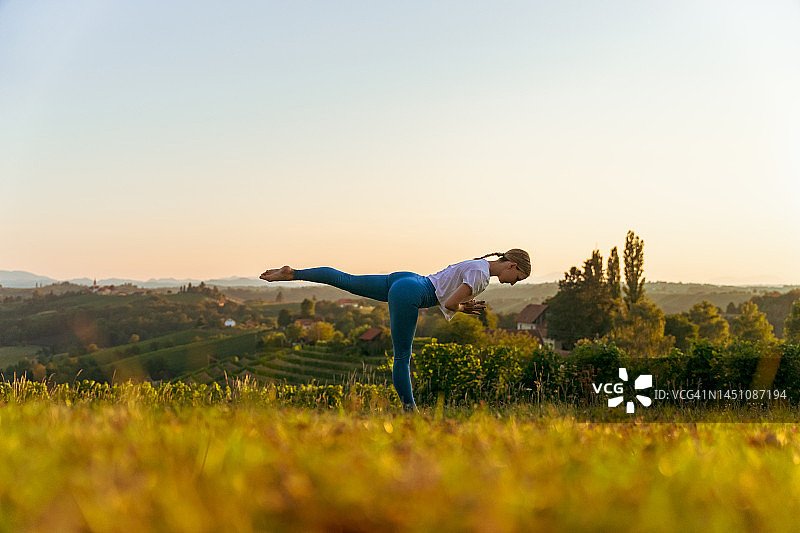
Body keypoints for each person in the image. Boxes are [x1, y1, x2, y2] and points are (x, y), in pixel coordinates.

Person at [259, 248, 531, 411]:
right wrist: (464, 309)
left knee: (345, 280)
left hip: (407, 279)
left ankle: (294, 273)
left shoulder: (478, 264)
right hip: (411, 293)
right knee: (403, 356)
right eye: (516, 278)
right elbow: (449, 302)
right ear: (512, 265)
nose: (512, 284)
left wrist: (459, 303)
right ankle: (409, 411)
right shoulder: (482, 277)